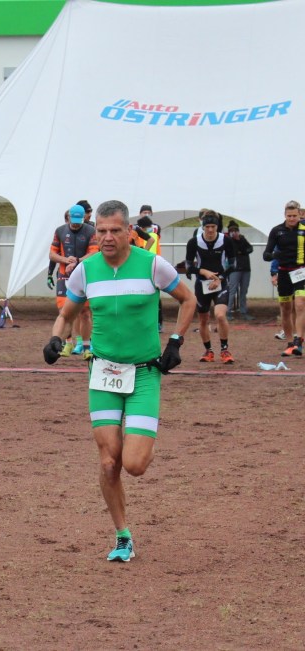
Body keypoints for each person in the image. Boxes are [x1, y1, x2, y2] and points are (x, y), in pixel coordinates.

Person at [43, 200, 195, 563]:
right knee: (109, 463)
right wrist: (55, 339)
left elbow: (188, 300)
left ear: (129, 231)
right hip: (104, 373)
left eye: (114, 230)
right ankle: (123, 535)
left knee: (135, 465)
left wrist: (175, 342)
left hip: (144, 373)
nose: (107, 237)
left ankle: (141, 442)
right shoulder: (85, 270)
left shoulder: (152, 265)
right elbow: (67, 315)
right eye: (101, 231)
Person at [185, 210, 236, 364]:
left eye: (213, 227)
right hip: (202, 285)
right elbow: (188, 266)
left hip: (220, 283)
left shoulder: (225, 240)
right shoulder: (194, 242)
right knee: (203, 320)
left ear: (217, 226)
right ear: (203, 226)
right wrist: (203, 272)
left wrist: (220, 278)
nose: (210, 230)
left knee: (220, 315)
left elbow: (233, 264)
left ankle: (225, 350)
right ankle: (208, 351)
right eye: (207, 227)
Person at [50, 205, 98, 358]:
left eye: (79, 221)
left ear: (84, 218)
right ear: (69, 217)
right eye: (74, 220)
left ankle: (86, 347)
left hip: (84, 274)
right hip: (64, 276)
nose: (76, 224)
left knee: (85, 312)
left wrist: (78, 261)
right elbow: (52, 254)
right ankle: (68, 343)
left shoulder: (90, 231)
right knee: (64, 311)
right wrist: (66, 260)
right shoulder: (60, 231)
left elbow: (94, 253)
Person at [262, 200, 305, 356]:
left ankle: (299, 341)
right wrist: (274, 255)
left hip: (300, 271)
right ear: (285, 215)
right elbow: (266, 254)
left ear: (300, 215)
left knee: (300, 304)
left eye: (294, 216)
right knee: (285, 309)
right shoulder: (277, 231)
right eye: (289, 216)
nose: (292, 219)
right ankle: (289, 343)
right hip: (284, 272)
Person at [225, 220, 254, 320]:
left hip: (246, 268)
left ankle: (243, 311)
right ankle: (228, 312)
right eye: (232, 231)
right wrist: (242, 250)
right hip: (235, 269)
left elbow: (250, 249)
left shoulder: (242, 239)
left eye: (236, 231)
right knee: (232, 290)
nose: (234, 233)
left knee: (244, 291)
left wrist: (241, 247)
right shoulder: (228, 240)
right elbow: (234, 251)